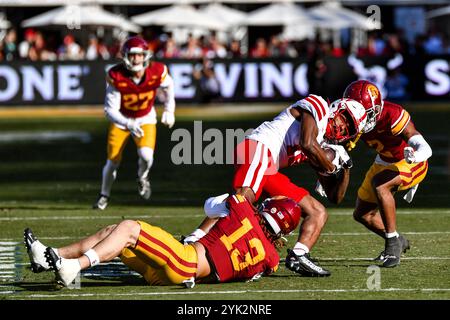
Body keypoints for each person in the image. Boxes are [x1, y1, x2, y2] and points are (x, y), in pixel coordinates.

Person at [182, 96, 368, 277]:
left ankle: (299, 255)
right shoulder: (318, 106)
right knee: (242, 203)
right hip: (258, 147)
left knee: (317, 211)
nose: (343, 126)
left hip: (270, 167)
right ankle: (195, 238)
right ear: (337, 108)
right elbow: (307, 144)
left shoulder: (323, 144)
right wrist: (331, 165)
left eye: (349, 127)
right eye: (344, 118)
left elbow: (335, 196)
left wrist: (346, 167)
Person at [24, 195, 301, 287]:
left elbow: (210, 206)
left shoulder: (242, 206)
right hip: (181, 276)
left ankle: (75, 267)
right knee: (115, 233)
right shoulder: (271, 260)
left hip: (184, 260)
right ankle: (51, 256)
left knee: (129, 228)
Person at [342, 80, 432, 267]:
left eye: (362, 114)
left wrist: (415, 155)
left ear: (374, 110)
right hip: (384, 161)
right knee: (362, 215)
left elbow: (424, 146)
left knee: (380, 184)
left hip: (410, 162)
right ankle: (399, 240)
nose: (357, 118)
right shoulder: (350, 118)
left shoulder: (392, 114)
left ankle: (391, 244)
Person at [93, 36, 176, 210]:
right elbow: (110, 111)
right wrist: (128, 123)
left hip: (145, 117)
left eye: (139, 55)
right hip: (121, 120)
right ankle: (104, 195)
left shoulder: (157, 71)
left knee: (147, 156)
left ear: (145, 55)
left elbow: (169, 85)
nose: (136, 59)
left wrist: (169, 109)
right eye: (133, 55)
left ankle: (142, 177)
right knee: (113, 161)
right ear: (125, 56)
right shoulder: (116, 75)